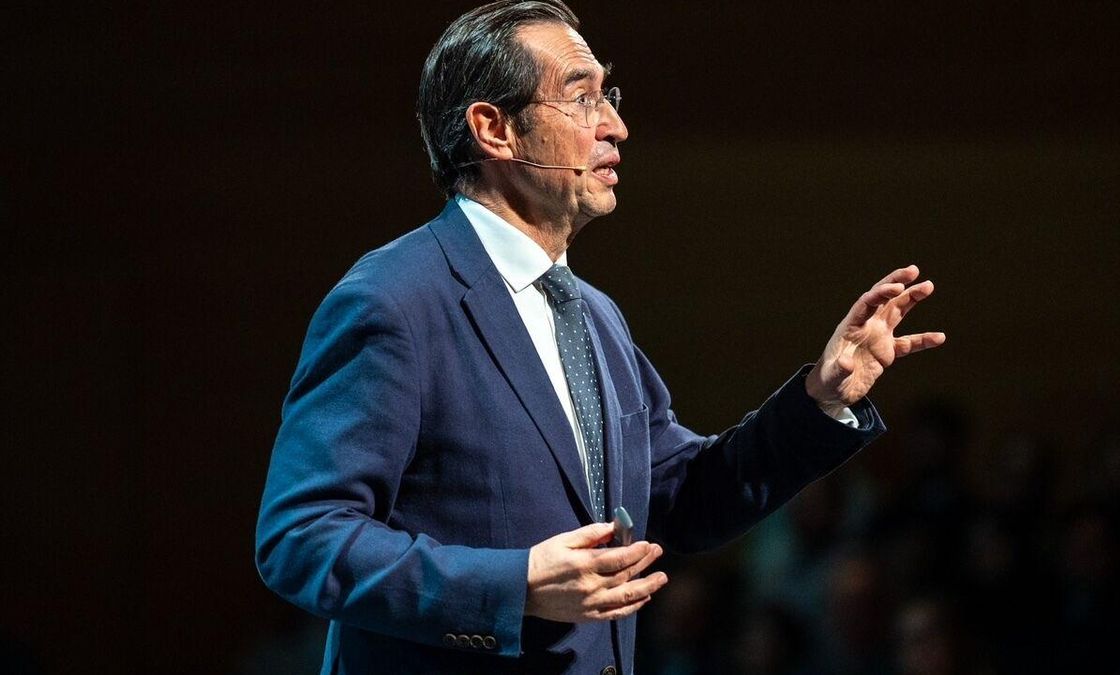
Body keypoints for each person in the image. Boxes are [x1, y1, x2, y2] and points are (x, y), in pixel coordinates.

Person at [254, 1, 945, 673]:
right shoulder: (395, 300)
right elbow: (302, 536)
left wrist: (821, 399)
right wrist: (514, 584)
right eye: (582, 98)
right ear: (495, 130)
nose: (616, 125)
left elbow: (678, 497)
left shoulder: (593, 314)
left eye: (608, 95)